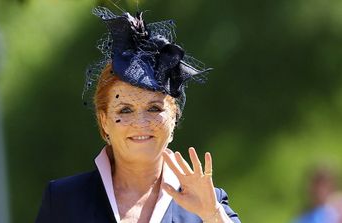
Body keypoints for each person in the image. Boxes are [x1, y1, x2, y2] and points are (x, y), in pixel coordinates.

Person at [35, 6, 241, 223]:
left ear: (174, 118)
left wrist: (212, 215)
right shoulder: (63, 200)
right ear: (104, 122)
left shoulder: (208, 203)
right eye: (125, 110)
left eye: (154, 108)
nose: (141, 122)